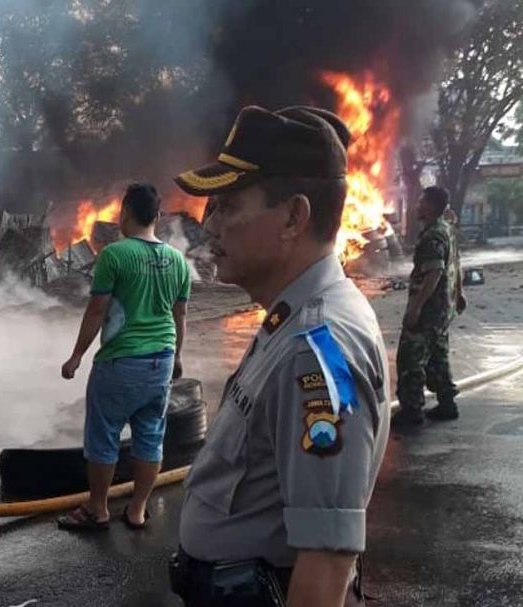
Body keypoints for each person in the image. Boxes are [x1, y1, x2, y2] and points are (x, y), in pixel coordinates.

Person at [169, 106, 391, 606]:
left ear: (293, 216)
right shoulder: (287, 319)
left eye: (227, 205)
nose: (212, 226)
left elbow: (325, 561)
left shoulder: (317, 349)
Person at [58, 182, 190, 531]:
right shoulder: (177, 260)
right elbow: (180, 317)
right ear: (158, 217)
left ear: (125, 213)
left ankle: (97, 509)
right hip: (161, 359)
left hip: (121, 361)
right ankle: (137, 509)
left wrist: (76, 356)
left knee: (103, 434)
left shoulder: (114, 255)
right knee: (150, 434)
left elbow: (96, 311)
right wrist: (177, 356)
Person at [393, 186, 465, 426]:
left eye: (421, 202)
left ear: (432, 206)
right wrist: (459, 293)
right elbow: (455, 262)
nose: (417, 205)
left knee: (410, 358)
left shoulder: (433, 235)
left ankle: (411, 411)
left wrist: (415, 308)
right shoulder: (447, 229)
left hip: (429, 309)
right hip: (444, 308)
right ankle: (447, 404)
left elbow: (434, 273)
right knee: (437, 356)